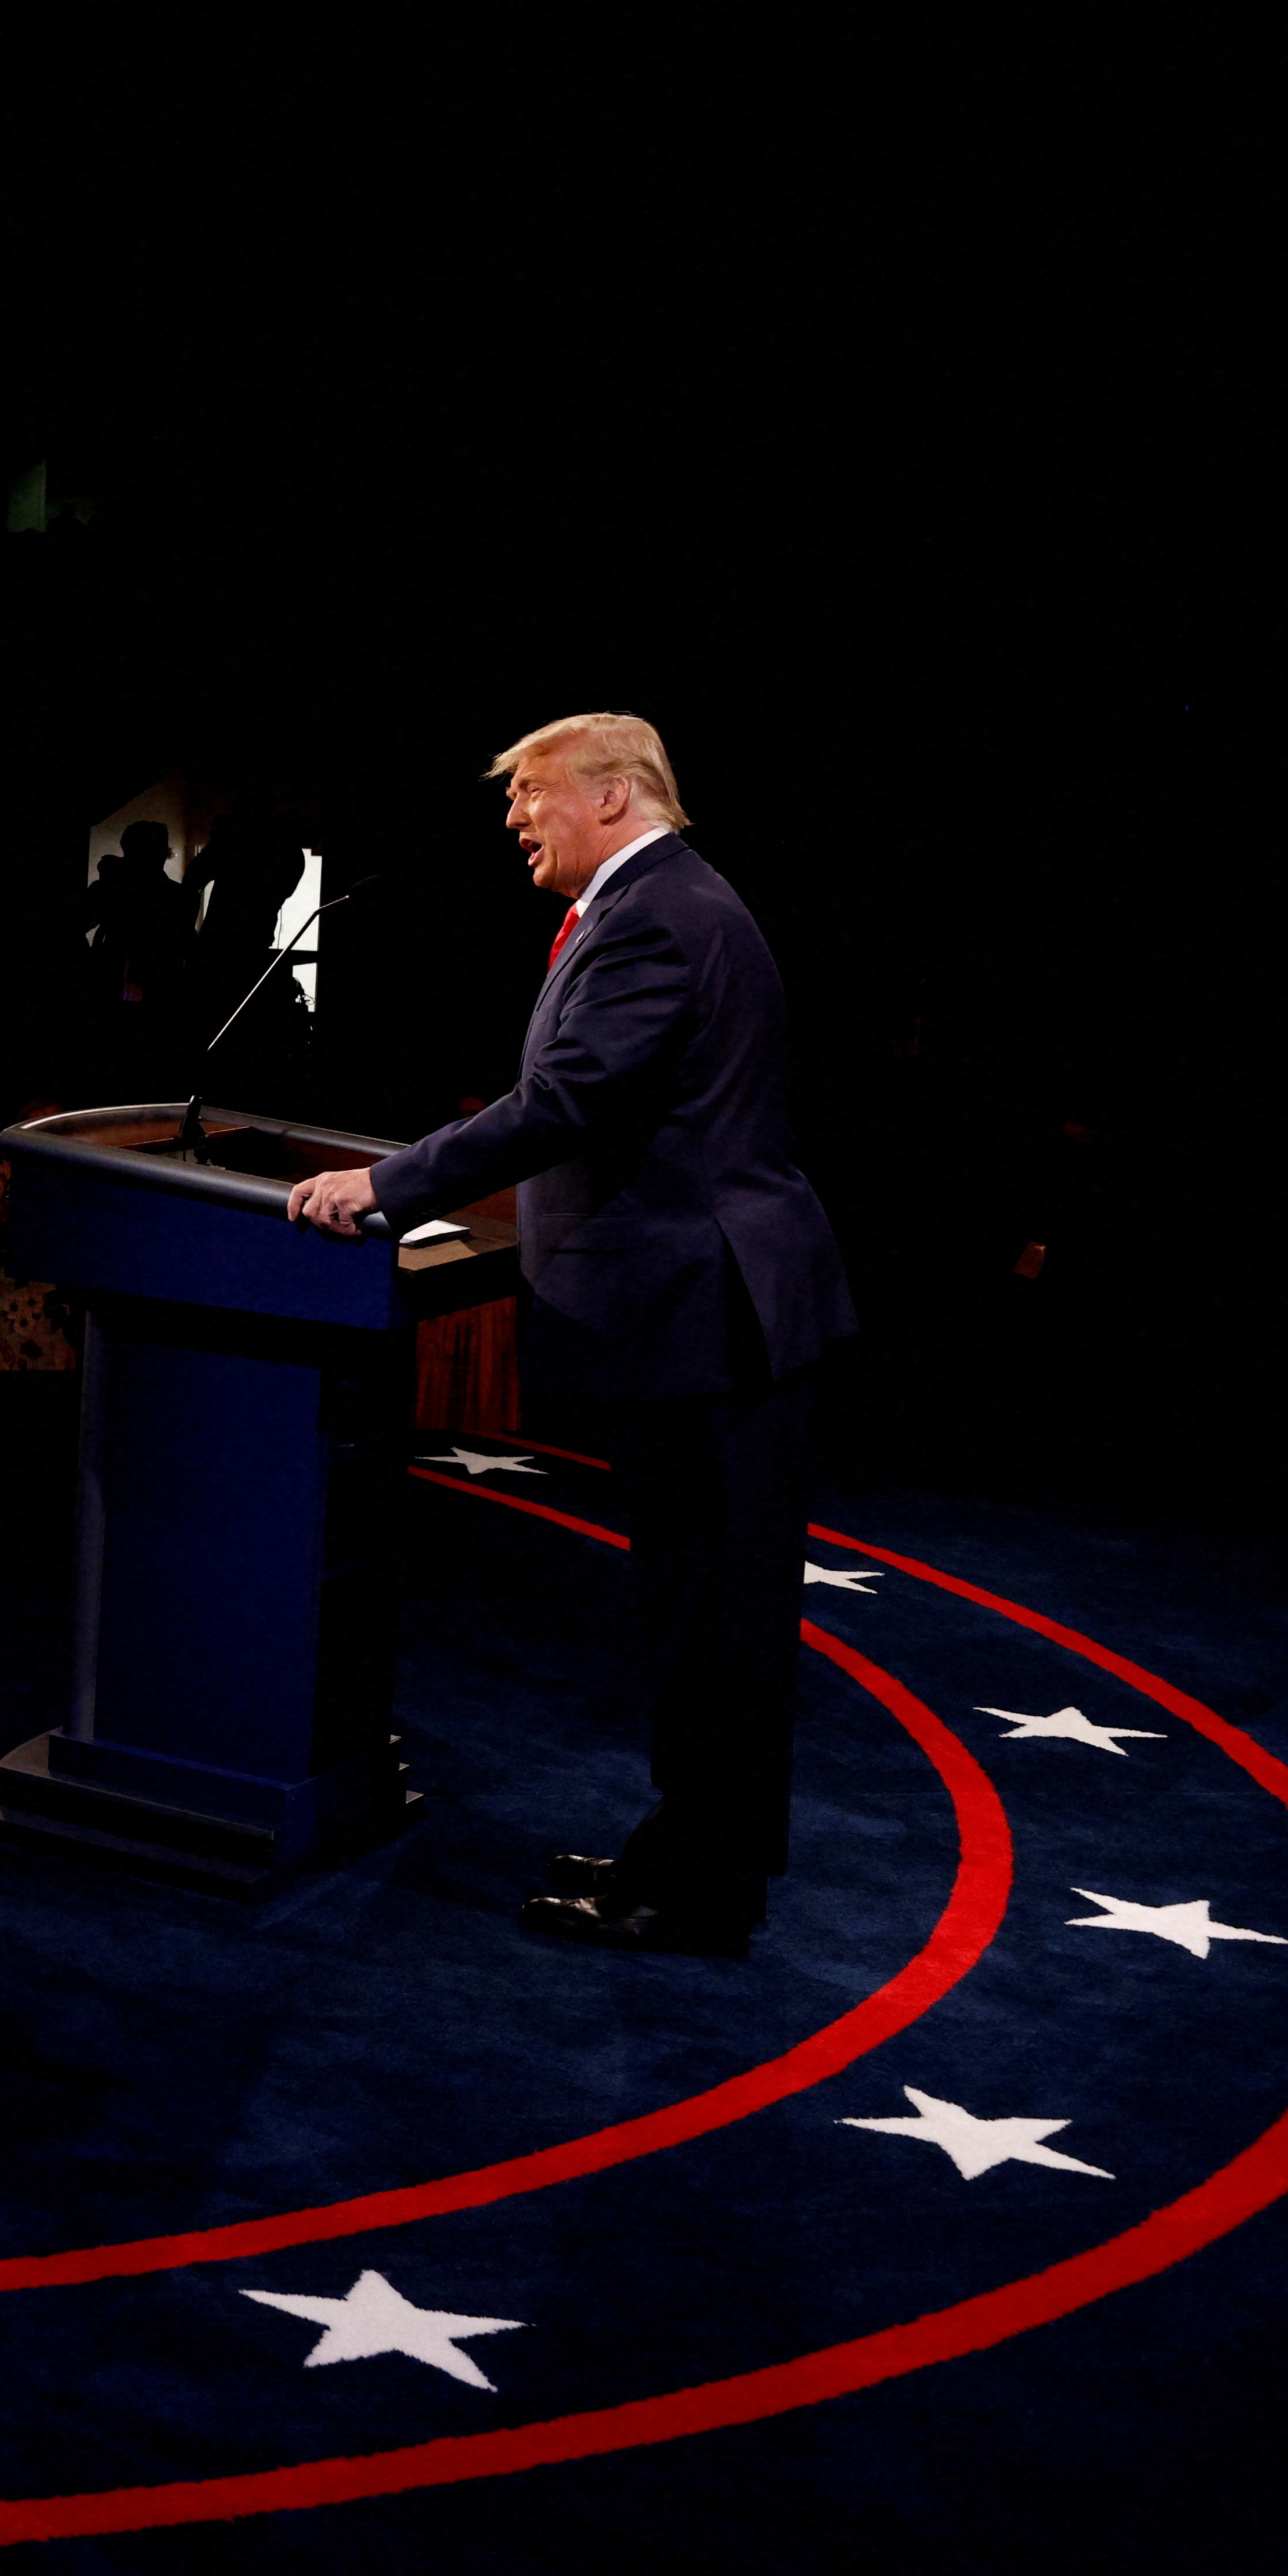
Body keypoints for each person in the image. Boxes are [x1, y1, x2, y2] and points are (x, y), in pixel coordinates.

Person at [289, 713, 852, 1956]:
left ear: (609, 792)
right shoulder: (660, 901)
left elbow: (564, 1099)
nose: (513, 817)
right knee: (700, 1608)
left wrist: (383, 1187)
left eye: (530, 793)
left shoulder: (656, 910)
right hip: (706, 1312)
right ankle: (690, 1848)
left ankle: (698, 1890)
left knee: (713, 1616)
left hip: (709, 1318)